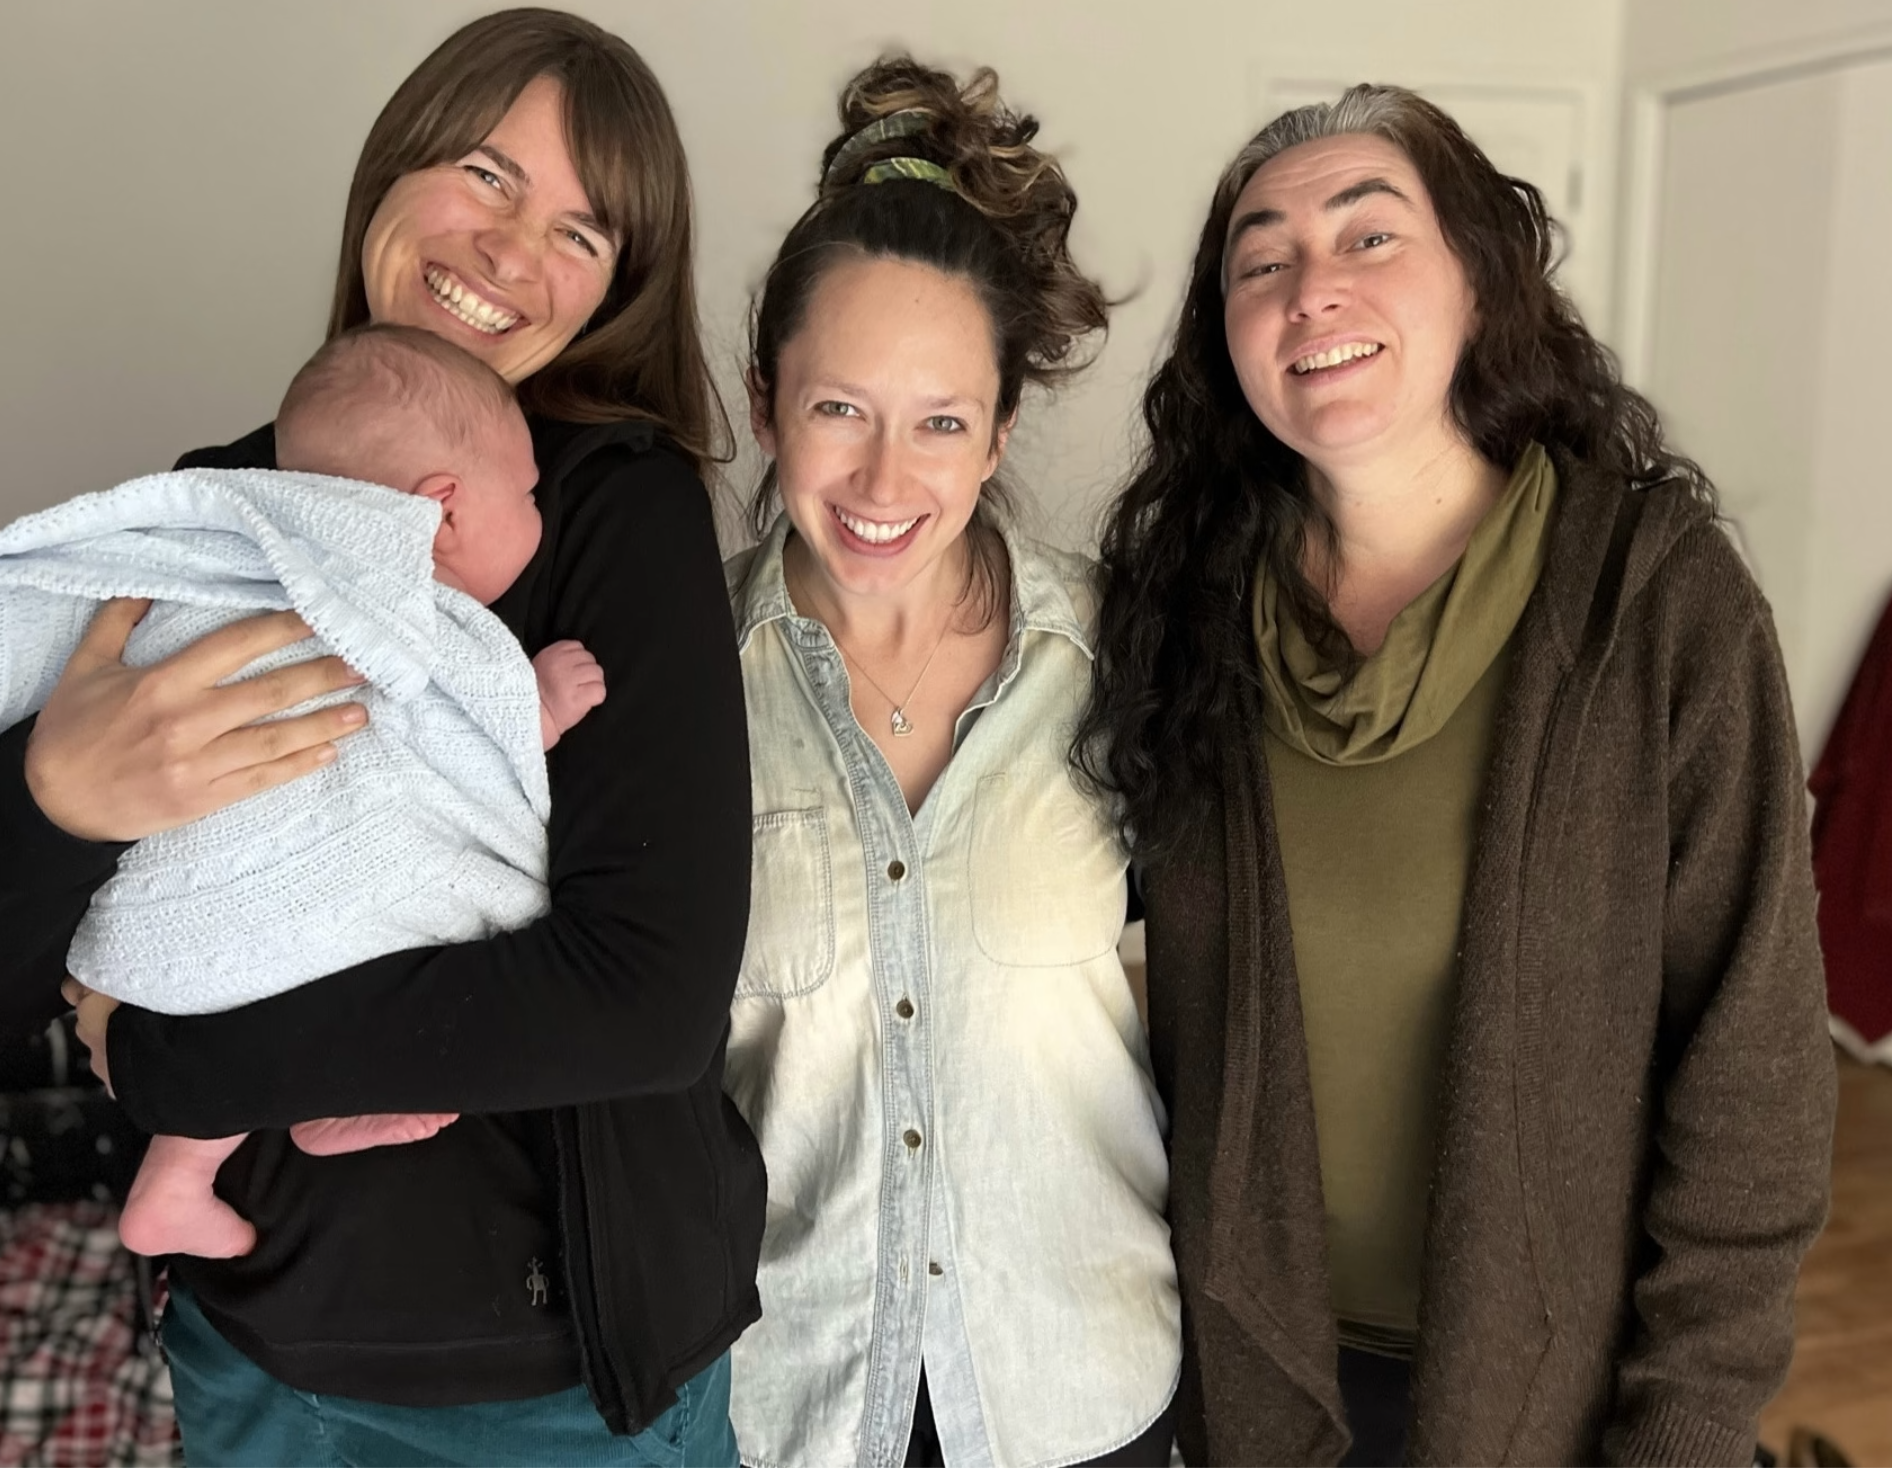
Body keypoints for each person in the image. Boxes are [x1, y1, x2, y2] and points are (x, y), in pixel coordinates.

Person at [1, 10, 758, 1466]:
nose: (509, 252)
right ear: (391, 170)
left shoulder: (611, 506)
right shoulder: (218, 514)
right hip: (259, 1357)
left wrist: (172, 1064)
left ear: (618, 291)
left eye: (582, 234)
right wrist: (57, 801)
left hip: (562, 1387)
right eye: (486, 172)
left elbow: (645, 1002)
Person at [1076, 85, 1836, 1467]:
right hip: (1247, 1374)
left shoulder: (1651, 604)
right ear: (1227, 335)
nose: (1312, 288)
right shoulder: (1181, 613)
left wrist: (1685, 1428)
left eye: (1370, 237)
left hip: (1561, 1400)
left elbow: (1756, 1077)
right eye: (1261, 260)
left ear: (1481, 281)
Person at [722, 57, 1180, 1468]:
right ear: (765, 399)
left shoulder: (1130, 658)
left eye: (938, 421)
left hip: (1080, 1389)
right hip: (779, 1405)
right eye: (838, 409)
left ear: (999, 430)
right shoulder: (671, 684)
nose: (880, 482)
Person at [4, 325, 605, 1262]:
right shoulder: (416, 608)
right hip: (241, 897)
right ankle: (213, 1159)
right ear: (443, 511)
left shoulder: (224, 535)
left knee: (274, 967)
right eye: (527, 495)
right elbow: (460, 736)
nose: (539, 515)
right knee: (384, 922)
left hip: (141, 941)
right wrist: (543, 710)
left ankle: (182, 1172)